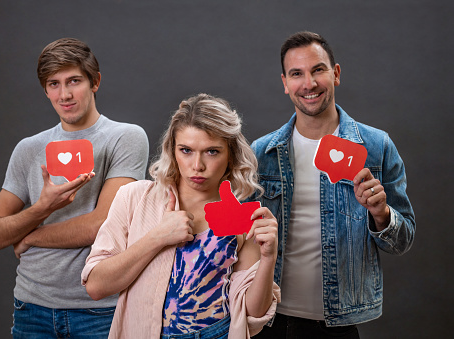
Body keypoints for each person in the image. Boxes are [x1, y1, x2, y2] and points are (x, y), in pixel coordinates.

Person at [251, 31, 415, 338]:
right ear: (285, 83)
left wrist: (381, 213)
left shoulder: (376, 147)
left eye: (318, 70)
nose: (309, 84)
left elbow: (402, 241)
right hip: (268, 319)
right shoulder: (261, 153)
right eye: (297, 74)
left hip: (337, 324)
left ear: (335, 73)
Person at [0, 38, 149, 338]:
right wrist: (42, 208)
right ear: (45, 90)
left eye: (74, 81)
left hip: (98, 309)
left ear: (95, 81)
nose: (65, 94)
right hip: (31, 307)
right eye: (54, 84)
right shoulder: (28, 149)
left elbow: (101, 224)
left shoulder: (125, 138)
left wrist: (30, 237)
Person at [81, 93, 280, 339]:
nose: (197, 165)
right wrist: (157, 237)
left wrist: (269, 257)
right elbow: (96, 287)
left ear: (230, 155)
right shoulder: (134, 198)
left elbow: (253, 314)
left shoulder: (240, 218)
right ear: (172, 150)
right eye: (186, 150)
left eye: (212, 152)